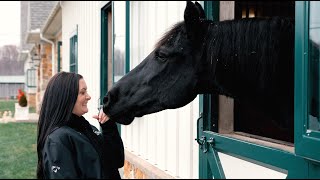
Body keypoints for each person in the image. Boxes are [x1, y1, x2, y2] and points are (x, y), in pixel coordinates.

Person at [36, 71, 124, 179]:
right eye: (82, 93)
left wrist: (109, 127)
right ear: (67, 97)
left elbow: (117, 161)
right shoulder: (58, 139)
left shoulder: (88, 129)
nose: (89, 97)